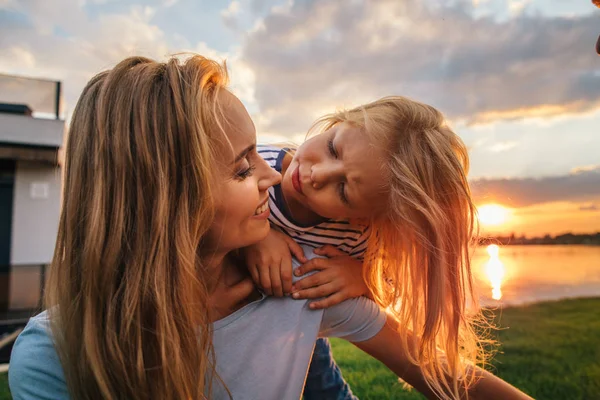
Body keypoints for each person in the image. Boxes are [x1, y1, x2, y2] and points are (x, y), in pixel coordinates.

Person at [8, 54, 532, 400]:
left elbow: (445, 375)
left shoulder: (305, 281)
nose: (279, 173)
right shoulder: (56, 359)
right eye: (243, 166)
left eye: (344, 190)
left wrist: (358, 280)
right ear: (167, 200)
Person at [245, 96, 485, 399]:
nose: (315, 175)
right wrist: (255, 234)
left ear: (361, 219)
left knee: (326, 390)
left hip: (300, 329)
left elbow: (390, 285)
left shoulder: (353, 234)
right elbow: (203, 207)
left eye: (343, 190)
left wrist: (360, 276)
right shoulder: (258, 163)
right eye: (333, 148)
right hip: (231, 318)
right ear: (337, 122)